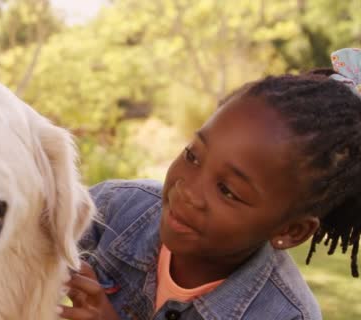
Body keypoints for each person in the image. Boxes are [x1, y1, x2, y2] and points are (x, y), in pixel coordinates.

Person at [58, 48, 361, 320]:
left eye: (227, 190)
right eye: (192, 156)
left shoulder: (285, 315)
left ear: (290, 231)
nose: (188, 192)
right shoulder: (115, 208)